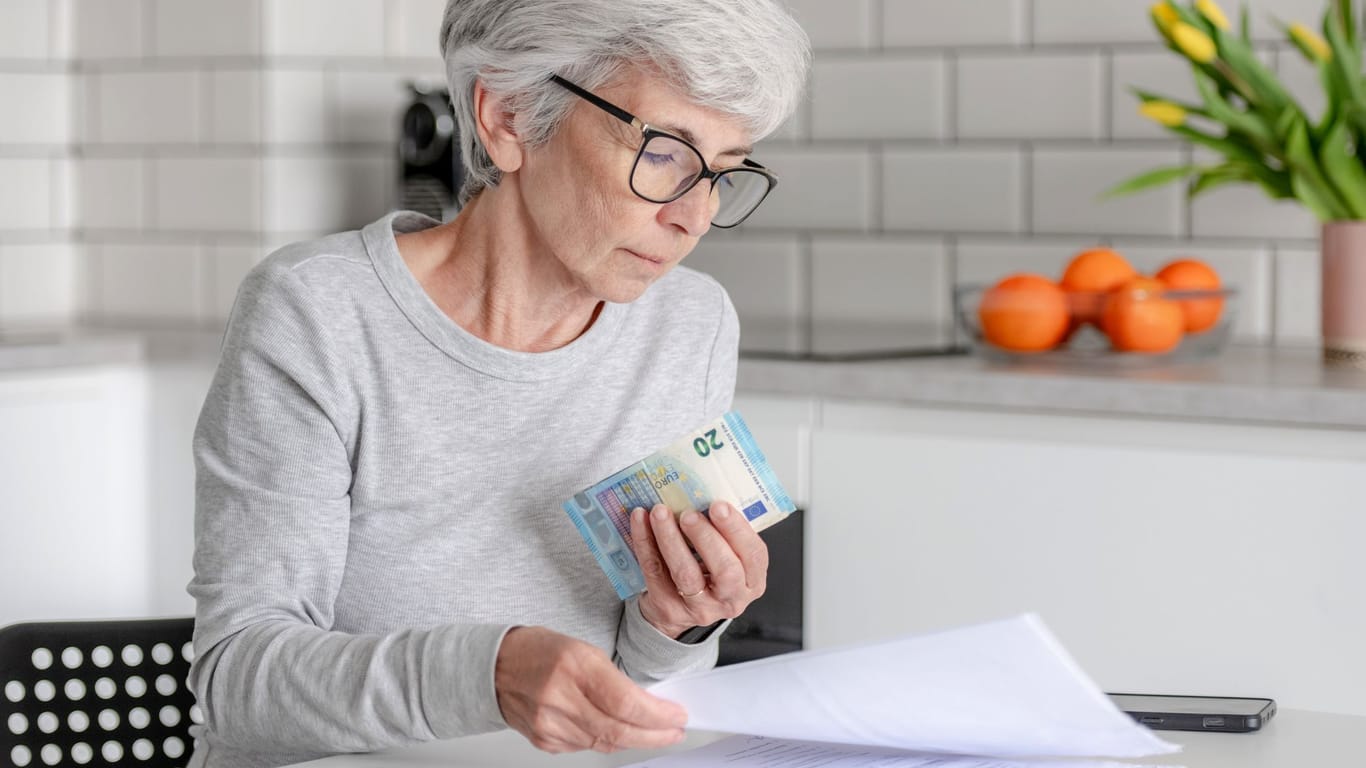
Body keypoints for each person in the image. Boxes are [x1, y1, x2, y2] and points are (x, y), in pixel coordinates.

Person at [186, 0, 810, 765]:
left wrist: (675, 622)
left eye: (722, 170)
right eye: (663, 152)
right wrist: (488, 675)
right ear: (508, 117)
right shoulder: (319, 313)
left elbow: (642, 703)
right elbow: (238, 685)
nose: (694, 216)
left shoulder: (690, 325)